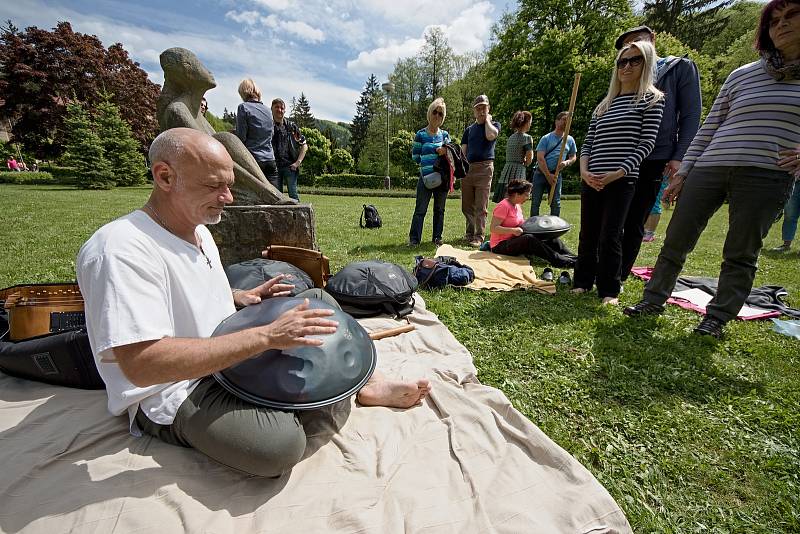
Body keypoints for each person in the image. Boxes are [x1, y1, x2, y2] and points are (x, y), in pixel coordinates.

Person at [76, 128, 431, 477]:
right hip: (178, 387)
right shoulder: (120, 250)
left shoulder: (197, 228)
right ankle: (327, 395)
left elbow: (183, 290)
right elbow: (142, 364)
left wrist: (239, 297)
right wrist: (265, 337)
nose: (228, 197)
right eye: (214, 186)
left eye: (229, 185)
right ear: (165, 176)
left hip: (229, 344)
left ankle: (364, 384)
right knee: (278, 448)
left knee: (319, 299)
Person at [624, 0, 800, 338]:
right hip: (710, 165)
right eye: (775, 19)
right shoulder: (743, 74)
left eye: (792, 16)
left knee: (741, 249)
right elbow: (709, 127)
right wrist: (684, 171)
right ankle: (653, 298)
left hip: (766, 172)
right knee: (677, 238)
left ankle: (716, 317)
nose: (781, 24)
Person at [573, 41, 665, 305]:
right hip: (592, 176)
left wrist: (620, 171)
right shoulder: (604, 105)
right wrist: (584, 171)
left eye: (634, 60)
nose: (626, 66)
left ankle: (609, 289)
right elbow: (588, 143)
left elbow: (646, 144)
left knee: (611, 234)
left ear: (646, 64)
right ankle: (582, 281)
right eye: (622, 62)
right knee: (587, 233)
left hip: (622, 179)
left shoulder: (652, 100)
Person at [616, 25, 703, 281]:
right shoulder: (625, 73)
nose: (634, 52)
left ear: (652, 40)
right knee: (614, 216)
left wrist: (679, 156)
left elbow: (690, 115)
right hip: (621, 155)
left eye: (638, 42)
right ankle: (605, 264)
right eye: (627, 48)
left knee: (635, 218)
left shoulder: (678, 68)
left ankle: (619, 273)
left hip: (655, 155)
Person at [409, 98, 451, 246]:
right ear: (429, 113)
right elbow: (415, 156)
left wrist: (444, 151)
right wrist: (426, 162)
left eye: (441, 114)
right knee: (420, 210)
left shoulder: (445, 135)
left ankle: (437, 238)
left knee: (439, 210)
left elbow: (451, 156)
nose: (437, 116)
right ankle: (414, 240)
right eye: (435, 112)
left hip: (441, 178)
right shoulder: (420, 134)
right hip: (425, 178)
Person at [461, 94, 501, 247]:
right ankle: (469, 233)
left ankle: (479, 236)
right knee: (467, 205)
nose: (481, 111)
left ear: (488, 108)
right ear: (474, 111)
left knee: (481, 205)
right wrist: (460, 168)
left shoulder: (494, 125)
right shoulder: (469, 130)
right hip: (468, 169)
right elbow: (463, 152)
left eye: (484, 107)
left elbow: (490, 136)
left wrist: (488, 121)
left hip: (485, 168)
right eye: (478, 108)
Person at [529, 112, 577, 217]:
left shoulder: (570, 140)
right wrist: (547, 175)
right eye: (564, 119)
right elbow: (540, 158)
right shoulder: (546, 138)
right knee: (535, 202)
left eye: (568, 120)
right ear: (556, 121)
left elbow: (573, 157)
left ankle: (555, 228)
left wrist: (567, 162)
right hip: (541, 174)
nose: (566, 122)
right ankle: (532, 227)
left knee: (556, 203)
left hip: (556, 175)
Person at [235, 78, 280, 189]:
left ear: (243, 92)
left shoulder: (243, 107)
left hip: (253, 160)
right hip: (270, 159)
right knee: (276, 198)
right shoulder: (268, 111)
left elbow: (241, 137)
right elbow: (271, 133)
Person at [492, 111, 534, 203]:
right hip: (518, 170)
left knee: (505, 199)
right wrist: (526, 163)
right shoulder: (527, 138)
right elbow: (529, 158)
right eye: (530, 122)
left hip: (507, 170)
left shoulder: (511, 137)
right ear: (526, 123)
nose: (530, 125)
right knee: (517, 197)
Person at [271, 98, 307, 201]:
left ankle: (299, 216)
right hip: (273, 167)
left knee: (293, 195)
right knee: (276, 197)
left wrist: (297, 163)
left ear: (285, 110)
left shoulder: (291, 127)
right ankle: (280, 217)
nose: (279, 110)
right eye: (277, 107)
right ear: (272, 109)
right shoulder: (268, 126)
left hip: (290, 167)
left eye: (282, 108)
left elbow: (304, 145)